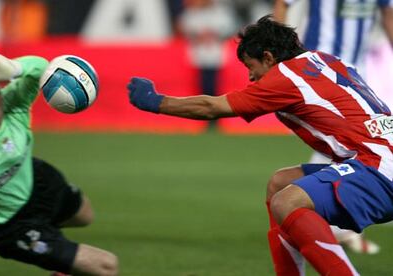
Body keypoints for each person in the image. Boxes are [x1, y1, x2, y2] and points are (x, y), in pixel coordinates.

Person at [127, 15, 393, 275]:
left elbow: (211, 107)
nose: (252, 77)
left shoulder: (285, 77)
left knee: (287, 202)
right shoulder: (323, 59)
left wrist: (156, 101)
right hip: (378, 156)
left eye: (250, 67)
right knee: (281, 183)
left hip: (379, 168)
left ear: (268, 57)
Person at [0, 51, 118, 275]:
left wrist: (14, 68)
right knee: (105, 267)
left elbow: (42, 68)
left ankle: (47, 239)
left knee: (84, 215)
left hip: (36, 182)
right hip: (8, 225)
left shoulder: (12, 105)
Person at [273, 0, 393, 255]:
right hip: (317, 70)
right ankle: (330, 226)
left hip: (355, 73)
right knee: (340, 144)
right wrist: (282, 59)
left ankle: (328, 222)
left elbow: (388, 16)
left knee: (363, 143)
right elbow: (283, 4)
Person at [178, 0, 236, 130]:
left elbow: (229, 28)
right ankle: (205, 115)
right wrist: (199, 34)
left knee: (214, 87)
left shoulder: (220, 11)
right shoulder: (193, 12)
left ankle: (215, 116)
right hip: (200, 54)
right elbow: (184, 27)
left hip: (215, 54)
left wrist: (213, 33)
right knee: (203, 86)